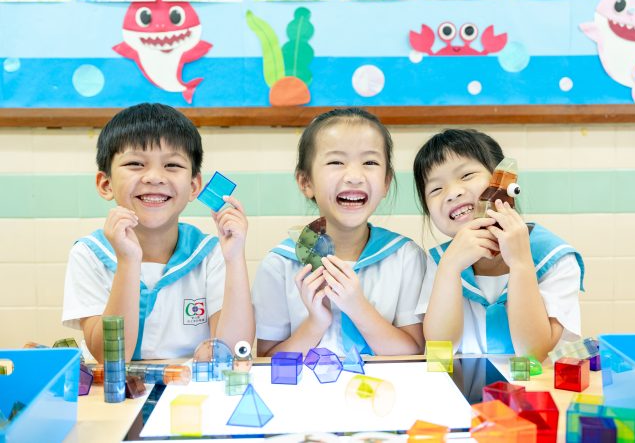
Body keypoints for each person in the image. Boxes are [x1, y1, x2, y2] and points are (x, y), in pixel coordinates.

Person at [62, 103, 254, 361]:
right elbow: (110, 358)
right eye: (135, 163)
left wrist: (235, 258)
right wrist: (128, 262)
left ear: (194, 186)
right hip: (115, 385)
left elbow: (234, 349)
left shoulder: (211, 253)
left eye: (172, 165)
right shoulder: (89, 254)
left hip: (188, 383)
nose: (154, 177)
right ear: (106, 184)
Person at [253, 108, 426, 357]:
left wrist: (357, 307)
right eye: (336, 162)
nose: (354, 177)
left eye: (370, 162)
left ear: (386, 182)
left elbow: (414, 353)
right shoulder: (279, 264)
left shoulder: (406, 257)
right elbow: (267, 360)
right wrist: (316, 323)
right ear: (306, 182)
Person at [413, 129, 584, 360]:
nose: (452, 193)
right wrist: (449, 268)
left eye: (466, 175)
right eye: (435, 189)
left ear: (504, 181)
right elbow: (440, 348)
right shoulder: (440, 261)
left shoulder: (554, 257)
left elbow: (534, 353)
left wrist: (521, 263)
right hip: (464, 382)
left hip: (535, 383)